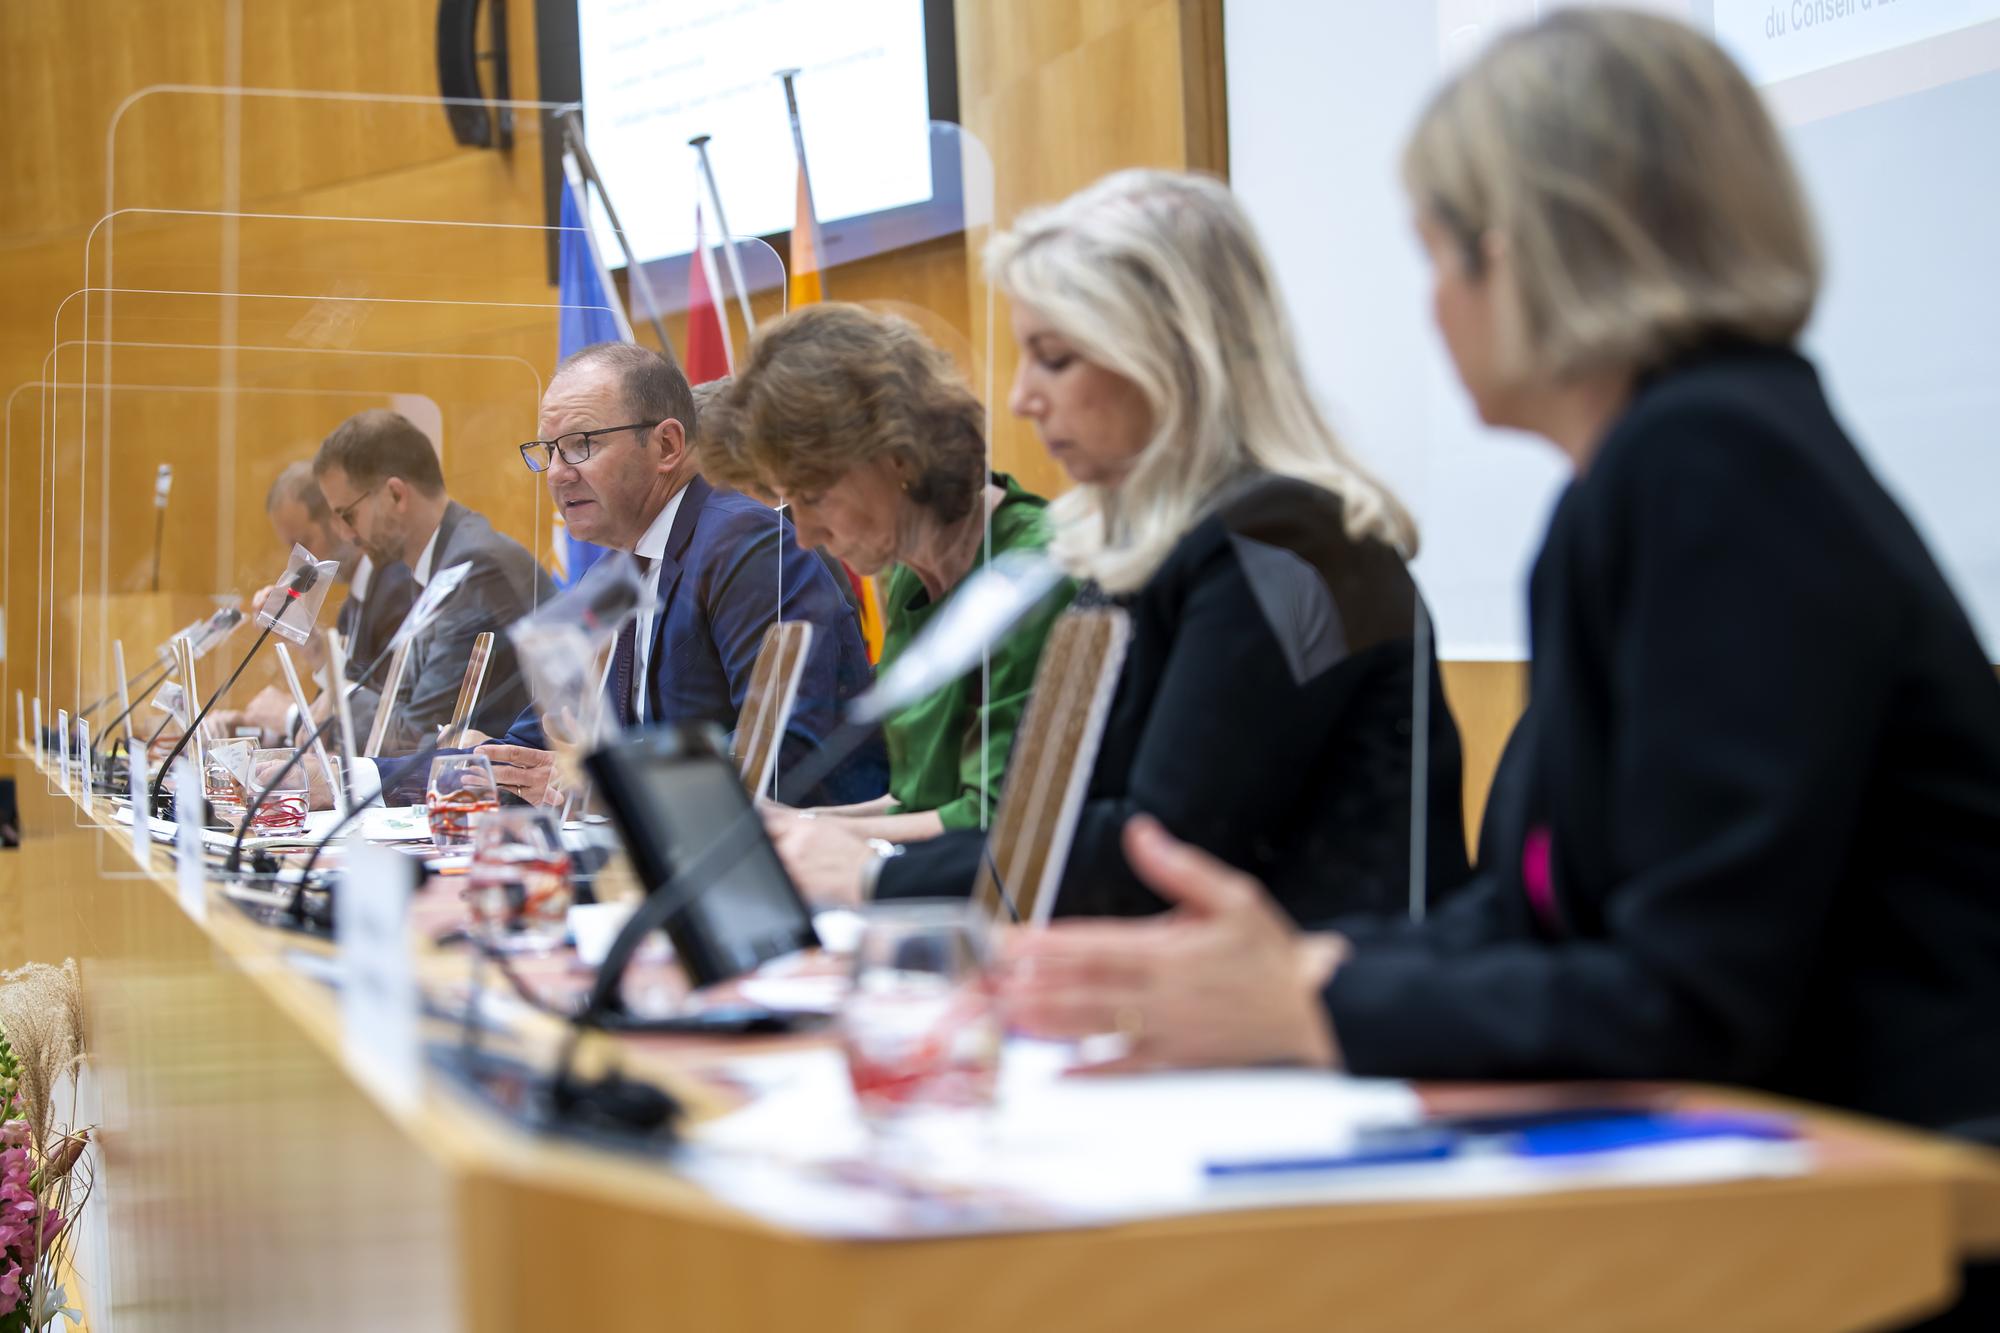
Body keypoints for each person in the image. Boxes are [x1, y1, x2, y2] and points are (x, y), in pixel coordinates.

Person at [1005, 9, 2000, 1162]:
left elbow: (1688, 995)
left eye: (1434, 255)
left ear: (1522, 250)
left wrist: (1314, 1005)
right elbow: (1545, 914)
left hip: (1889, 1191)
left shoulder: (1710, 466)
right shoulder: (1663, 466)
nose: (1428, 308)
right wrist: (1317, 969)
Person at [854, 170, 1469, 924]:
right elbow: (1044, 819)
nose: (1022, 398)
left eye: (1055, 357)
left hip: (1314, 1021)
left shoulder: (1287, 542)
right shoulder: (1136, 550)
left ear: (1173, 354)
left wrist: (875, 871)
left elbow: (1156, 855)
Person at [694, 303, 1074, 883]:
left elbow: (990, 821)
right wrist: (784, 822)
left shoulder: (1030, 569)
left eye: (813, 496)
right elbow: (916, 799)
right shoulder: (907, 577)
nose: (804, 535)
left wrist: (804, 832)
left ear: (898, 455)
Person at [474, 342, 883, 808]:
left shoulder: (744, 544)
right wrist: (384, 778)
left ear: (666, 445)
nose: (557, 474)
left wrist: (617, 781)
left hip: (786, 857)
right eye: (549, 450)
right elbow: (531, 751)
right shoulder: (610, 575)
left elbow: (784, 747)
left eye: (580, 446)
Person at [313, 410, 556, 752]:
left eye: (346, 514)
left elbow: (410, 739)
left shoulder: (472, 569)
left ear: (395, 495)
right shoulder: (444, 559)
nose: (344, 534)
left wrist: (328, 683)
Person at [216, 461, 417, 743]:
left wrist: (291, 716)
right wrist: (257, 729)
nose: (300, 562)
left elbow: (391, 728)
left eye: (303, 540)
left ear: (337, 520)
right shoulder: (355, 602)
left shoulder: (397, 588)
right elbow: (342, 695)